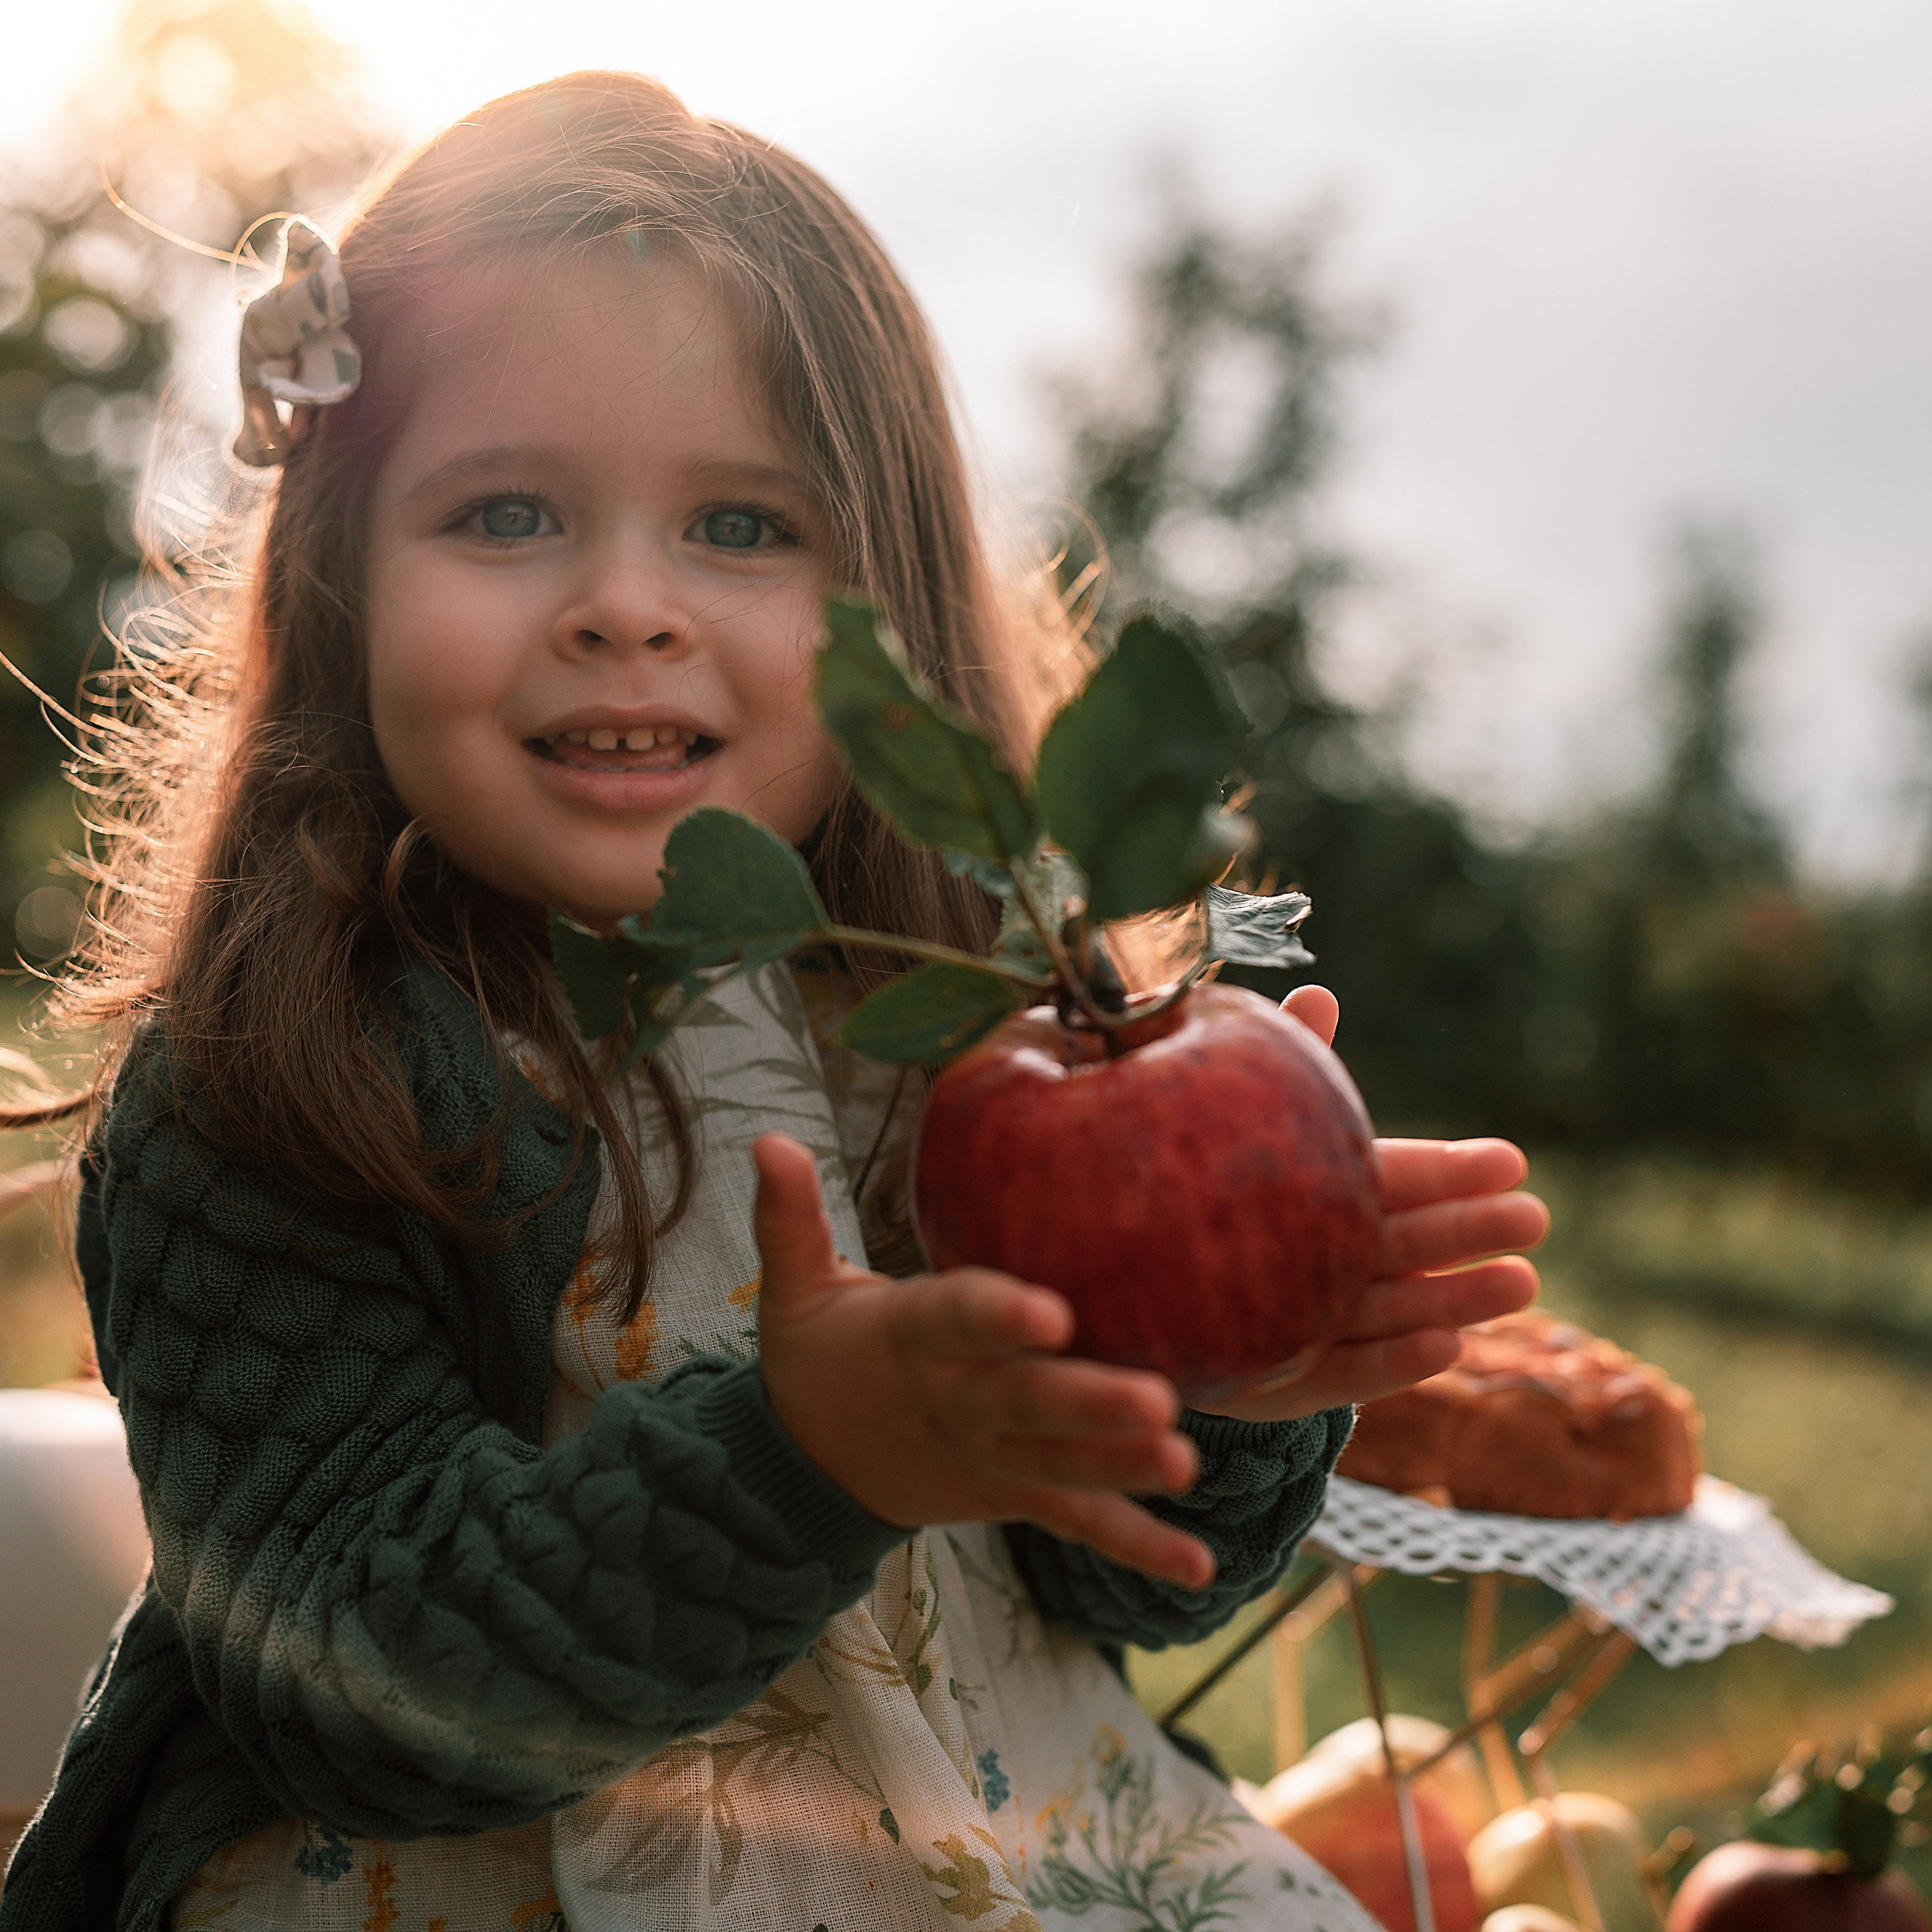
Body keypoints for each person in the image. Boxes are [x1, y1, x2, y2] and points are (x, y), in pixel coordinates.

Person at [0, 72, 1547, 1932]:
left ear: (889, 612)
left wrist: (1206, 1394)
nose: (625, 604)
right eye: (502, 511)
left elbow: (1127, 1591)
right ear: (337, 580)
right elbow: (351, 1680)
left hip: (986, 1845)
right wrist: (810, 1460)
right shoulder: (277, 1087)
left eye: (741, 529)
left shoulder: (956, 1039)